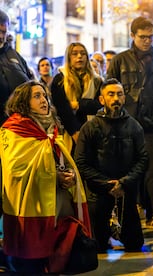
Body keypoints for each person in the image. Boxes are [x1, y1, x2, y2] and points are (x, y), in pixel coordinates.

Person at [0, 80, 91, 273]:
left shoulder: (50, 127)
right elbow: (16, 169)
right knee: (31, 262)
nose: (44, 101)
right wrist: (54, 176)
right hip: (30, 205)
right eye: (37, 96)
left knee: (55, 256)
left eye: (45, 96)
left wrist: (68, 175)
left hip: (56, 203)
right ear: (23, 101)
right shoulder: (15, 129)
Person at [106, 16, 153, 230]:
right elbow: (108, 90)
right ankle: (129, 215)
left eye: (150, 37)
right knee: (128, 172)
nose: (147, 41)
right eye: (142, 37)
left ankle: (152, 214)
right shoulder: (120, 60)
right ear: (132, 36)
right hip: (126, 125)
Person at [74, 78, 148, 253]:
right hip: (98, 193)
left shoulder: (134, 126)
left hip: (126, 191)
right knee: (97, 247)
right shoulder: (90, 127)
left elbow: (143, 159)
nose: (116, 98)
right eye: (111, 94)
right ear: (102, 100)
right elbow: (81, 162)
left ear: (124, 98)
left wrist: (124, 182)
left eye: (119, 94)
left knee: (135, 245)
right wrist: (107, 184)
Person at [51, 42, 103, 144]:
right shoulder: (60, 79)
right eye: (74, 54)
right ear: (68, 57)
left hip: (93, 129)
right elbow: (61, 108)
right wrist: (75, 131)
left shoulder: (97, 80)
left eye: (83, 53)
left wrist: (79, 105)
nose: (79, 56)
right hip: (67, 131)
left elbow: (100, 104)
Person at [0, 9, 34, 124]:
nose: (1, 36)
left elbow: (30, 81)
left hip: (19, 125)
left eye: (4, 32)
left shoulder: (14, 54)